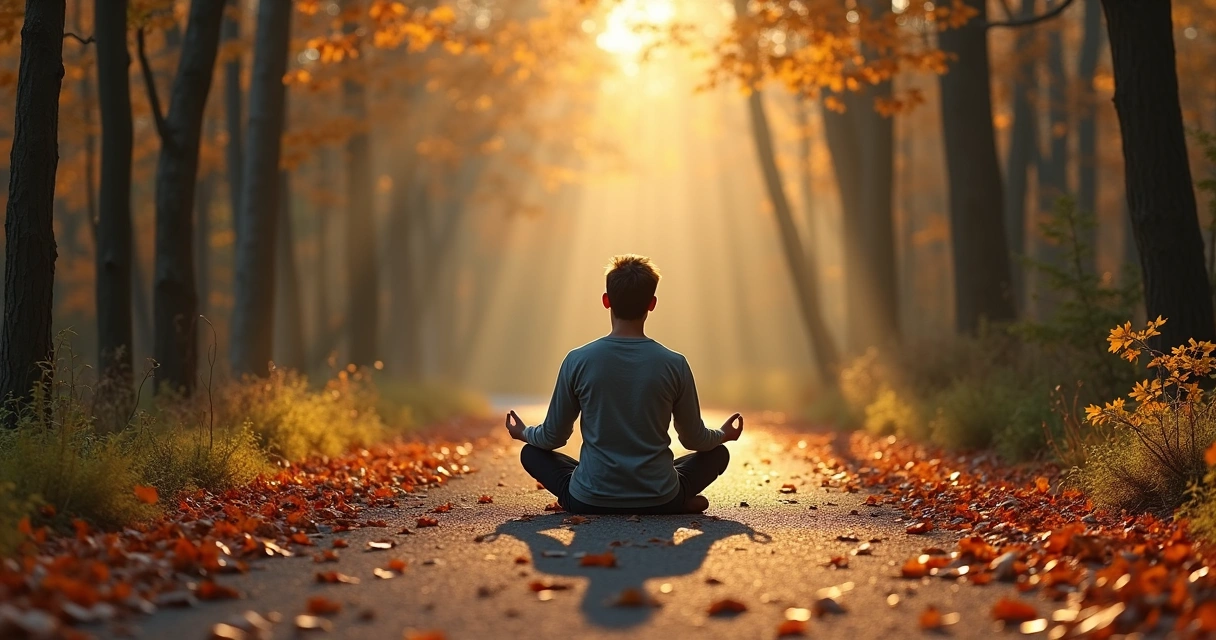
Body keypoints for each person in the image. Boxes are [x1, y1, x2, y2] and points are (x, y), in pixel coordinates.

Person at [504, 254, 743, 515]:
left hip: (590, 499)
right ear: (652, 304)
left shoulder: (577, 360)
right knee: (718, 454)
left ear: (606, 301)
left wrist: (523, 432)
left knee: (532, 453)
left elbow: (552, 438)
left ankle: (582, 497)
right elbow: (694, 439)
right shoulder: (675, 363)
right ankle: (677, 502)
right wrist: (723, 435)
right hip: (659, 496)